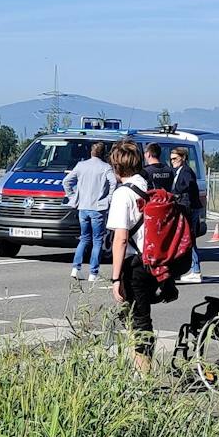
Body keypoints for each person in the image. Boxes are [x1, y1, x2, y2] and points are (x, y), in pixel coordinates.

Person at [107, 139, 159, 372]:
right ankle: (141, 367)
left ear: (117, 167)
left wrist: (115, 279)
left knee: (138, 321)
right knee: (141, 317)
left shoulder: (123, 194)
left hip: (134, 264)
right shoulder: (149, 187)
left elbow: (120, 239)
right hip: (153, 261)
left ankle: (142, 376)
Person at [63, 140, 115, 285]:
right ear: (104, 154)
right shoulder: (106, 167)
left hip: (83, 207)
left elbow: (66, 182)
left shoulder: (81, 166)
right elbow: (114, 183)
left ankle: (76, 268)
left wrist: (73, 197)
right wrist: (109, 198)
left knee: (84, 238)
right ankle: (93, 272)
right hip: (98, 208)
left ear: (91, 152)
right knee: (97, 240)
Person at [168, 144, 205, 283]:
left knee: (189, 238)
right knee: (186, 239)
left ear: (183, 158)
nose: (173, 161)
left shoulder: (186, 171)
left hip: (190, 208)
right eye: (171, 159)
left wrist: (177, 192)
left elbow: (188, 185)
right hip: (185, 207)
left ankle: (196, 270)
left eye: (175, 158)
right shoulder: (177, 171)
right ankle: (189, 269)